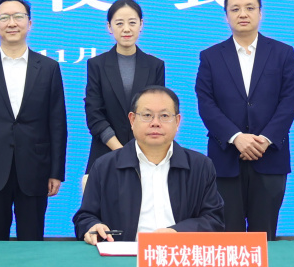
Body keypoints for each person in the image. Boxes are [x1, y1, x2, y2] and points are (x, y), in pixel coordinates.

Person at [194, 0, 294, 240]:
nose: (243, 14)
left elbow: (289, 101)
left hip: (270, 157)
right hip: (226, 159)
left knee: (264, 237)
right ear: (226, 15)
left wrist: (265, 139)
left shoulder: (283, 53)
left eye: (250, 8)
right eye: (235, 9)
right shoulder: (210, 57)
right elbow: (206, 103)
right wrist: (236, 137)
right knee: (228, 237)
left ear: (260, 13)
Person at [0, 0, 68, 240]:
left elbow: (57, 123)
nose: (11, 23)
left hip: (35, 169)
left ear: (30, 23)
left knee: (32, 242)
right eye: (4, 17)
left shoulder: (49, 68)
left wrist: (56, 171)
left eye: (18, 17)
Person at [74, 85, 226, 243]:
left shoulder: (200, 166)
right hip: (124, 254)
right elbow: (85, 217)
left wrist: (177, 233)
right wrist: (94, 226)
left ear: (177, 122)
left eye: (164, 116)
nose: (155, 123)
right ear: (132, 120)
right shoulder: (105, 166)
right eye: (147, 115)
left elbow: (213, 220)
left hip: (178, 252)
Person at [83, 0, 166, 173]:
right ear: (109, 27)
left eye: (132, 22)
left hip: (146, 155)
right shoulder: (97, 65)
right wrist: (120, 150)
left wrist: (138, 151)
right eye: (119, 23)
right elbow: (94, 114)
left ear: (141, 24)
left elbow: (157, 112)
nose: (126, 29)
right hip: (105, 154)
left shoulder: (155, 66)